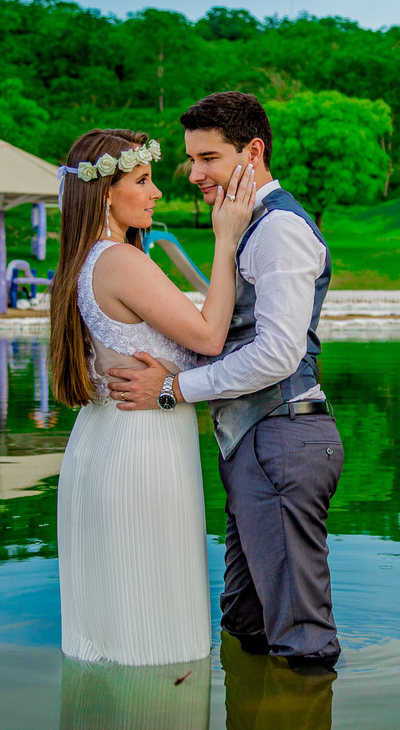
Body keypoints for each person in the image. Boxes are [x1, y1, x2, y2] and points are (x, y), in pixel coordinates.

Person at [108, 91, 346, 673]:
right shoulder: (245, 225)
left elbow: (277, 355)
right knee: (246, 621)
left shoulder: (279, 229)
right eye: (192, 160)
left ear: (253, 150)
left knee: (302, 639)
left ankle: (306, 705)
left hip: (284, 439)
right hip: (255, 441)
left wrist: (174, 391)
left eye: (208, 158)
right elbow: (234, 337)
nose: (194, 174)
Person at [50, 127, 256, 666]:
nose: (157, 192)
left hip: (99, 441)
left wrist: (171, 364)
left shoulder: (80, 262)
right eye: (143, 181)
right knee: (154, 635)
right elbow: (210, 337)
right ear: (105, 194)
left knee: (108, 638)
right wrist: (226, 239)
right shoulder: (121, 262)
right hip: (141, 448)